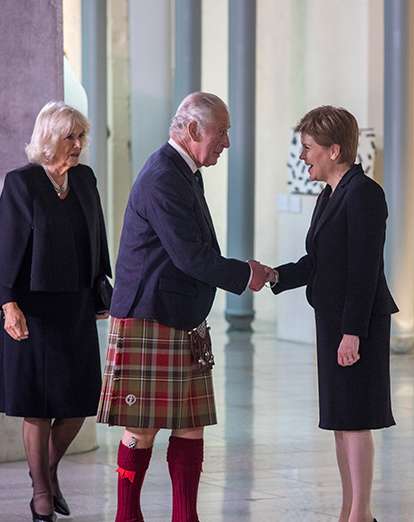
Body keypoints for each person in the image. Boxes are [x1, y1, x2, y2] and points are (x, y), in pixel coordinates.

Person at [96, 92, 269, 522]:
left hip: (177, 314)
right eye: (222, 132)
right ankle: (126, 516)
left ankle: (185, 516)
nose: (227, 142)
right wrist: (245, 274)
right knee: (143, 426)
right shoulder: (163, 176)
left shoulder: (184, 170)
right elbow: (190, 256)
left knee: (190, 421)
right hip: (150, 315)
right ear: (193, 130)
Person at [268, 105, 397, 522]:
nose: (304, 157)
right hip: (334, 322)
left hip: (354, 324)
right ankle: (350, 510)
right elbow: (317, 261)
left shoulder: (364, 194)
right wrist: (273, 276)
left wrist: (352, 333)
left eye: (308, 148)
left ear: (335, 150)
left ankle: (361, 514)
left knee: (355, 419)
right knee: (342, 420)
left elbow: (364, 270)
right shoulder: (329, 195)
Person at [0, 101, 112, 522]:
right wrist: (9, 306)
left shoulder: (85, 178)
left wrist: (100, 293)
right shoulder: (22, 182)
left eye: (80, 137)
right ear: (47, 139)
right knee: (37, 404)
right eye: (69, 137)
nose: (77, 145)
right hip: (33, 309)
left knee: (78, 401)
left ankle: (49, 470)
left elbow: (97, 238)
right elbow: (7, 246)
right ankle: (41, 491)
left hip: (75, 305)